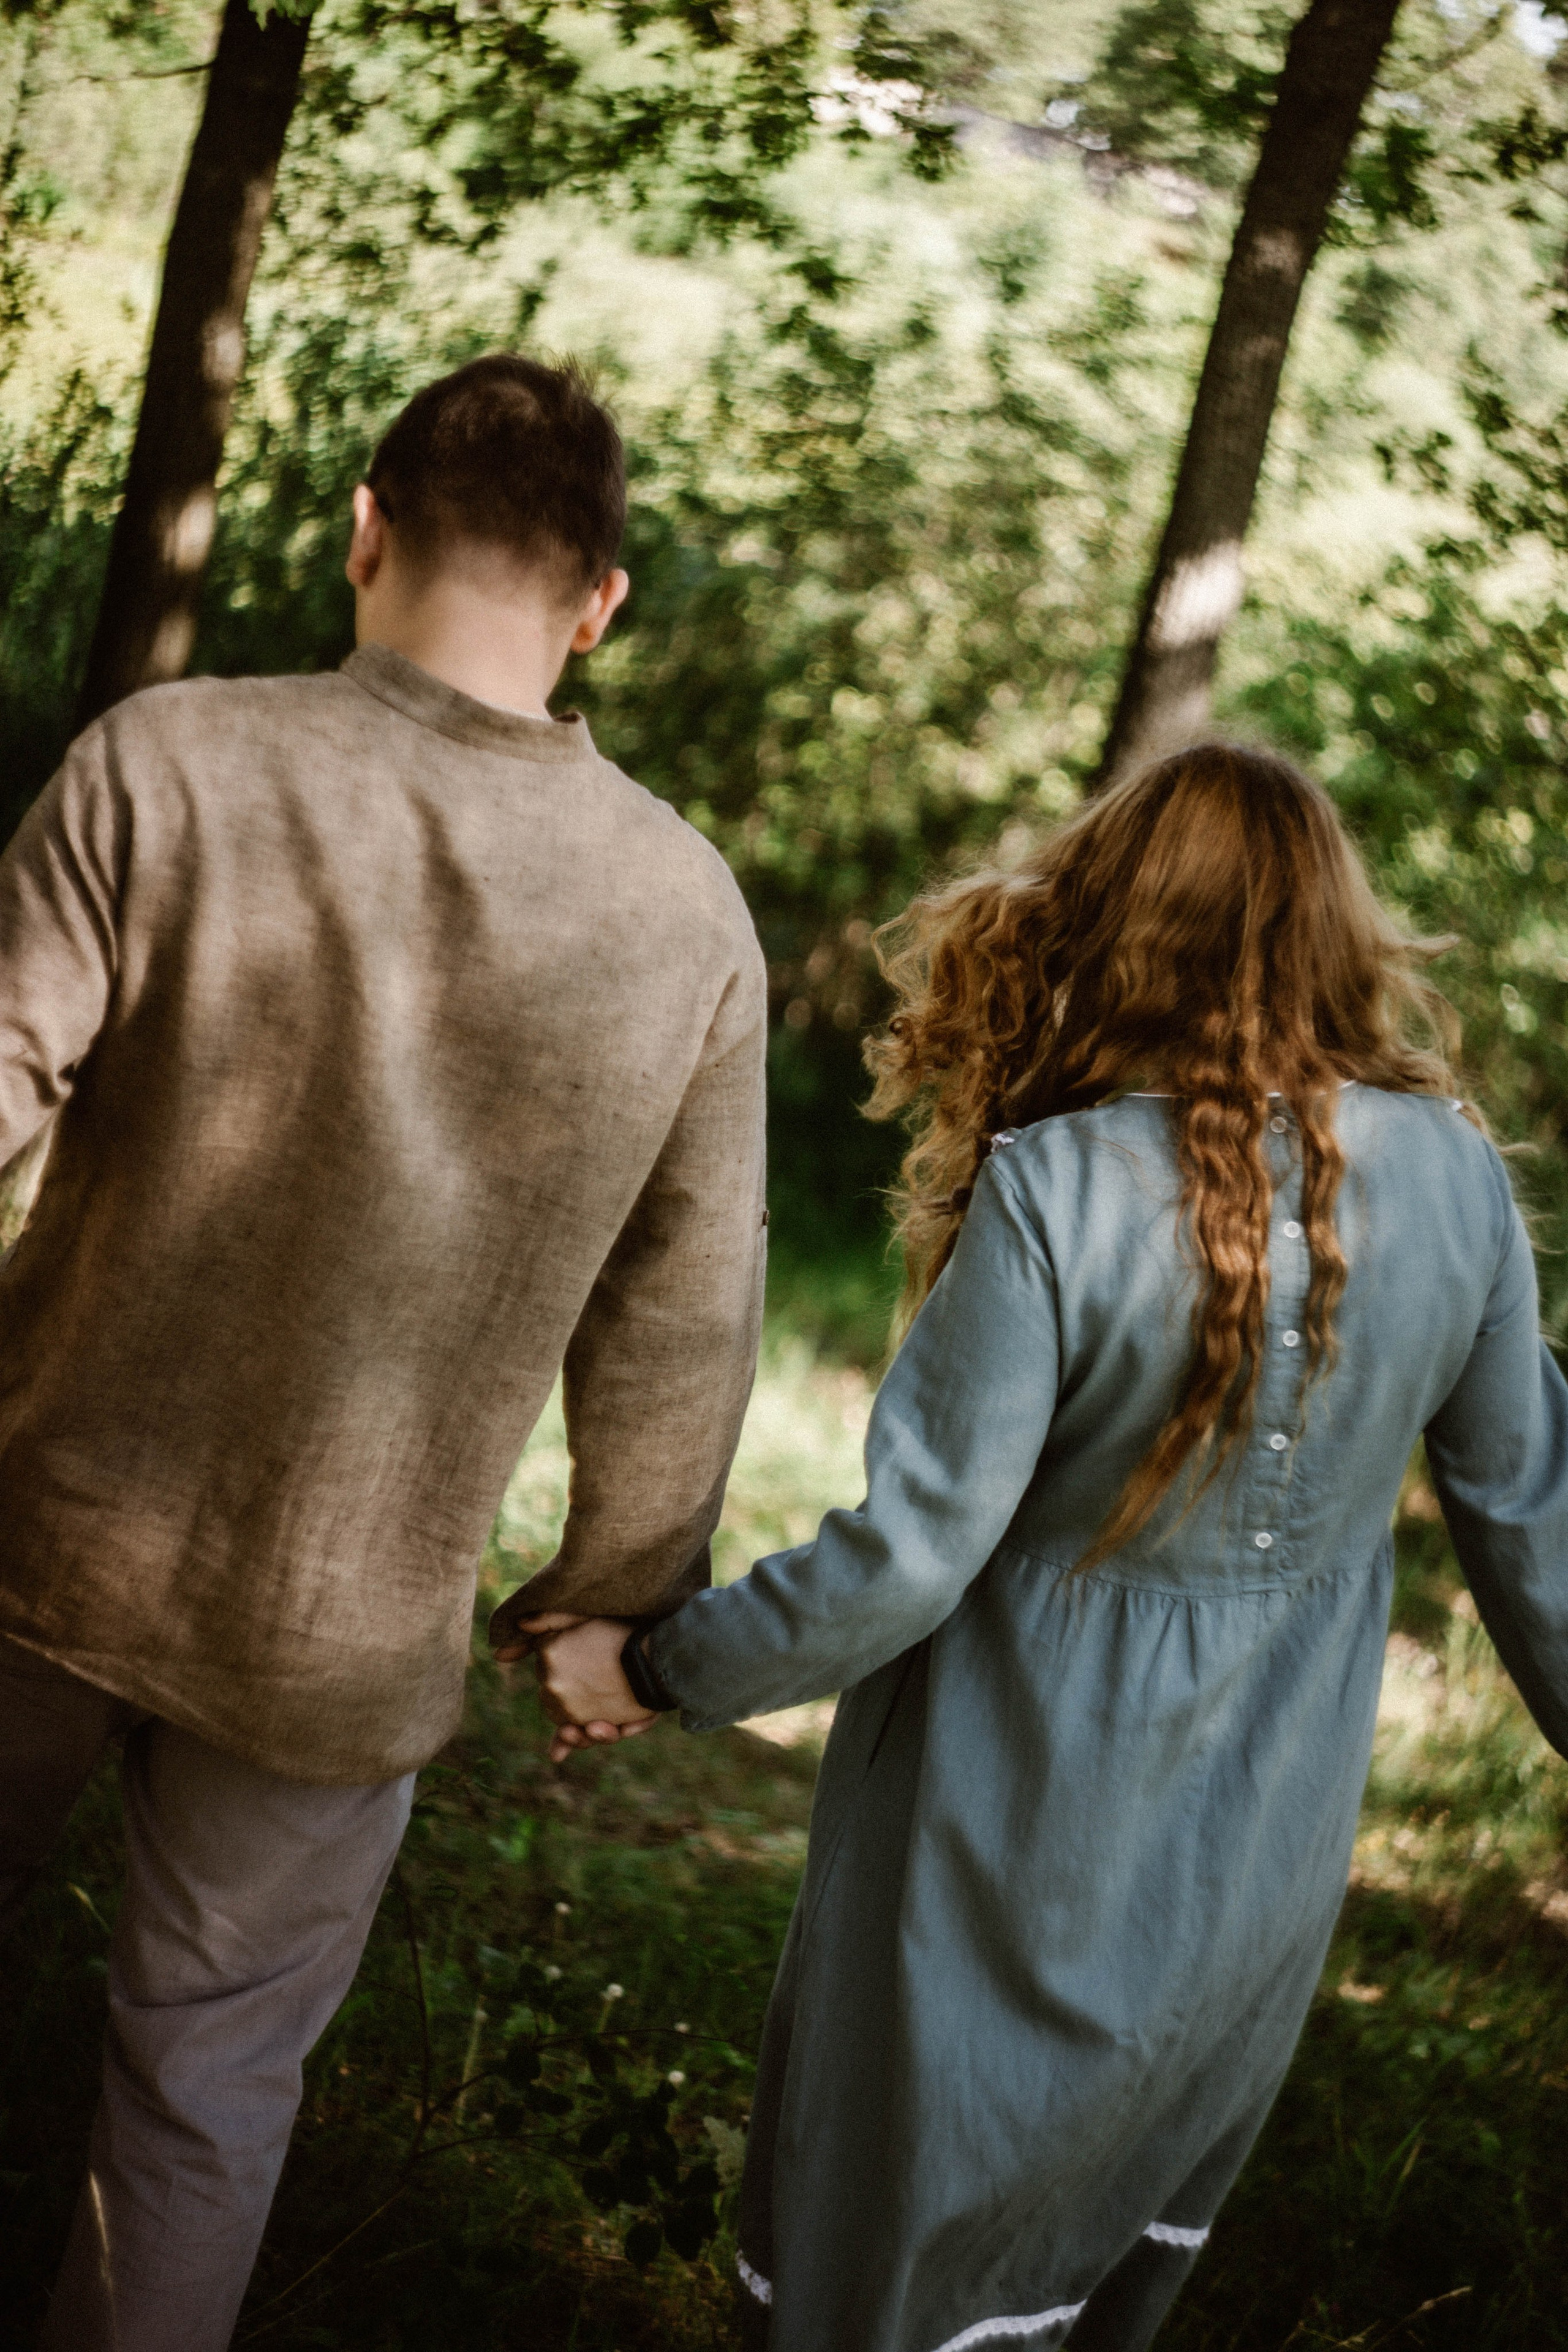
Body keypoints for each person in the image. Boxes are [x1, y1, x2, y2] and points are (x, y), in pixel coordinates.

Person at [532, 741, 1568, 2352]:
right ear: (1336, 934)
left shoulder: (1053, 1193)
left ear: (1114, 920)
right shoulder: (1456, 1182)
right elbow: (1539, 1537)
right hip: (1249, 1884)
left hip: (989, 1852)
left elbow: (903, 1563)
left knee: (889, 2295)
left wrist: (661, 1665)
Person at [0, 352, 768, 2351]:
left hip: (41, 1532)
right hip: (342, 1629)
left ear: (363, 528)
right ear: (603, 603)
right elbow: (686, 1318)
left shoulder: (170, 761)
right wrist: (611, 1610)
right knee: (205, 2097)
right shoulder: (683, 914)